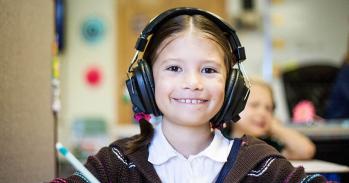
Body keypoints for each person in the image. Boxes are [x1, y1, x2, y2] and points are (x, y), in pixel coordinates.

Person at [50, 7, 325, 183]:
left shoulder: (261, 165)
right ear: (145, 82)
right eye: (173, 68)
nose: (192, 82)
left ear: (232, 86)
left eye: (208, 69)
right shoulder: (116, 164)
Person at [231, 78, 316, 160]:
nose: (263, 113)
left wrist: (275, 127)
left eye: (268, 108)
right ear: (233, 107)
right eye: (254, 105)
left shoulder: (268, 147)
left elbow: (306, 151)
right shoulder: (222, 142)